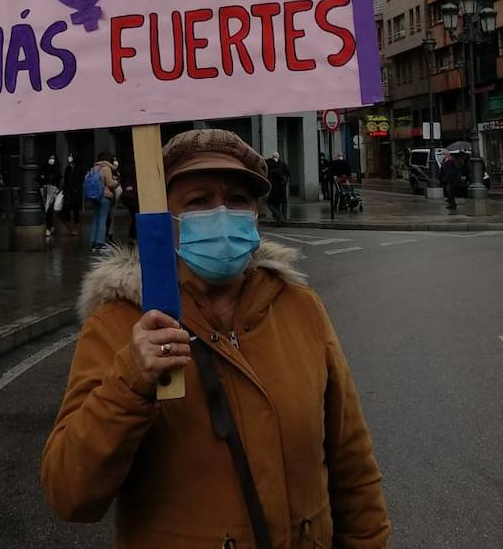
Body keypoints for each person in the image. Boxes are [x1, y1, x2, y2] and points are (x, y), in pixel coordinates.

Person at [41, 128, 391, 546]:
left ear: (256, 214)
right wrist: (130, 382)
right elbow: (69, 494)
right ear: (163, 219)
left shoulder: (301, 308)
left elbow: (352, 466)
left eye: (238, 200)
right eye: (198, 201)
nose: (221, 214)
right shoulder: (118, 326)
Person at [84, 151, 117, 253]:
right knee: (103, 220)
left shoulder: (94, 168)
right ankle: (100, 244)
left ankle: (93, 242)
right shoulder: (106, 168)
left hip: (95, 197)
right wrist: (116, 182)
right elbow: (110, 184)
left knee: (95, 219)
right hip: (104, 196)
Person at [265, 151, 290, 222]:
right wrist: (285, 182)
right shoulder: (283, 164)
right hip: (281, 187)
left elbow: (267, 175)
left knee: (271, 202)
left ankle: (278, 215)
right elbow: (288, 173)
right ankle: (283, 217)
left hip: (274, 187)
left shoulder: (269, 164)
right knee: (283, 202)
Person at [61, 153, 82, 237]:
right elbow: (66, 180)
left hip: (75, 193)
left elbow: (81, 180)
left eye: (71, 156)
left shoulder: (79, 168)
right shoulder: (68, 168)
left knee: (76, 211)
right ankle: (70, 228)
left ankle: (76, 228)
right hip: (67, 193)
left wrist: (78, 189)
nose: (70, 158)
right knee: (66, 211)